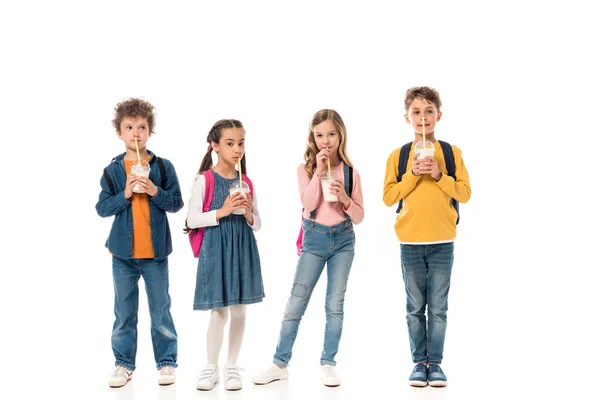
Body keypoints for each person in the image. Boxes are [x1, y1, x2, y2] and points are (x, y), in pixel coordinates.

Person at [252, 109, 364, 387]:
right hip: (314, 238)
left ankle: (328, 363)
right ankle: (280, 363)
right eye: (319, 135)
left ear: (340, 135)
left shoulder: (351, 172)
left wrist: (345, 198)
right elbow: (310, 204)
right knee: (296, 302)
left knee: (334, 305)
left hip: (343, 241)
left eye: (331, 134)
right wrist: (318, 171)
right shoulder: (304, 170)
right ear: (312, 138)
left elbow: (360, 216)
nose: (325, 140)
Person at [382, 86, 471, 387]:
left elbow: (465, 194)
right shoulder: (399, 156)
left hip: (443, 240)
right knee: (414, 307)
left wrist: (438, 175)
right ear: (406, 118)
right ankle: (419, 362)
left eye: (429, 111)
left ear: (439, 115)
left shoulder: (451, 153)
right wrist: (412, 175)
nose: (423, 118)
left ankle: (437, 363)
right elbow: (388, 196)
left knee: (440, 308)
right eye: (416, 112)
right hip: (410, 242)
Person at [96, 98, 183, 388]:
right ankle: (123, 364)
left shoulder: (163, 167)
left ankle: (167, 363)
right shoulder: (113, 171)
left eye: (142, 127)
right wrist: (126, 194)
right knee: (124, 311)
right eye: (129, 127)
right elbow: (102, 208)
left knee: (161, 309)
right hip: (122, 255)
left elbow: (176, 203)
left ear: (150, 130)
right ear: (119, 132)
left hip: (156, 255)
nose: (136, 133)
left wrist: (155, 191)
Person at [186, 119, 264, 391]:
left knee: (240, 311)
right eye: (230, 143)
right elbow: (192, 219)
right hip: (216, 247)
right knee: (219, 311)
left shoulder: (247, 181)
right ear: (215, 146)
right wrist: (223, 210)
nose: (237, 149)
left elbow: (258, 223)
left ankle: (232, 366)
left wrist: (250, 213)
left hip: (242, 247)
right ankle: (211, 366)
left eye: (241, 143)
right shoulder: (204, 180)